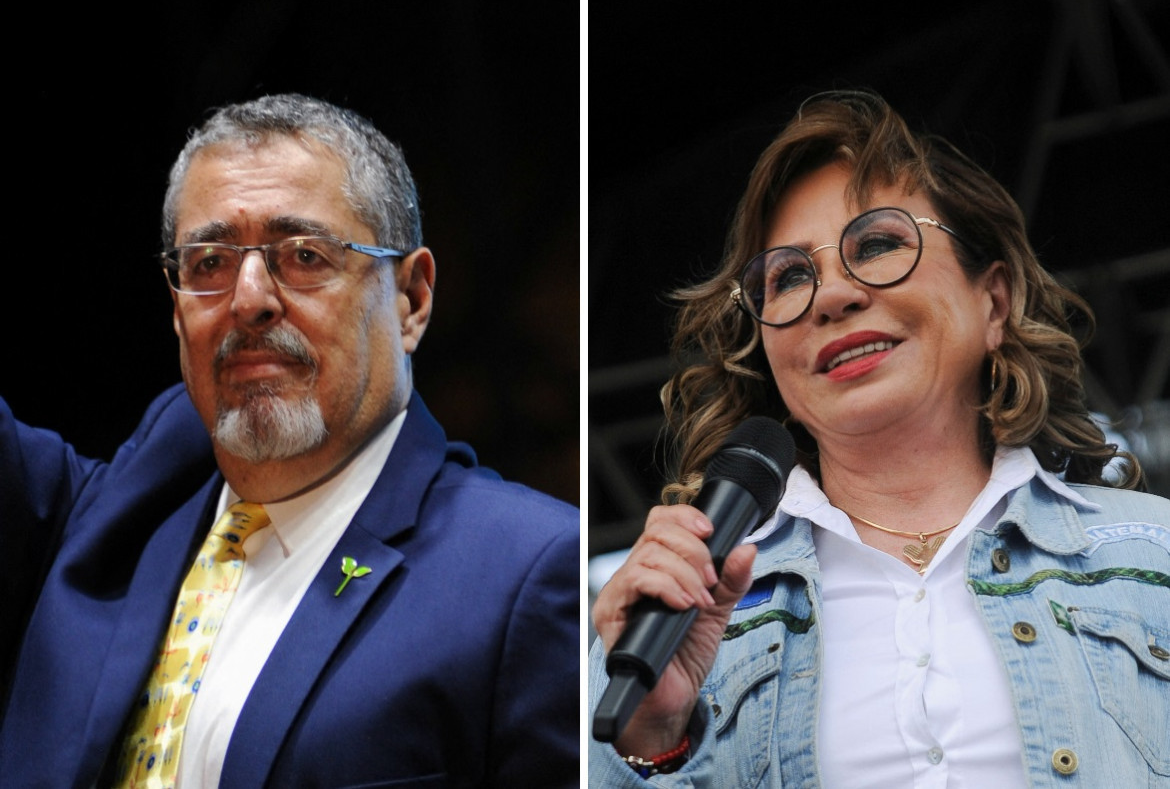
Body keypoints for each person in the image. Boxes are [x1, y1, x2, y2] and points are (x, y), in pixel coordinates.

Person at [589, 90, 1170, 787]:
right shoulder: (674, 611)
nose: (832, 295)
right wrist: (654, 740)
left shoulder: (1155, 555)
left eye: (879, 244)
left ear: (994, 301)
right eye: (789, 277)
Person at [0, 93, 579, 788]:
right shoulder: (120, 509)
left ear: (411, 299)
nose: (249, 298)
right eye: (209, 262)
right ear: (176, 310)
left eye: (303, 255)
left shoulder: (525, 570)